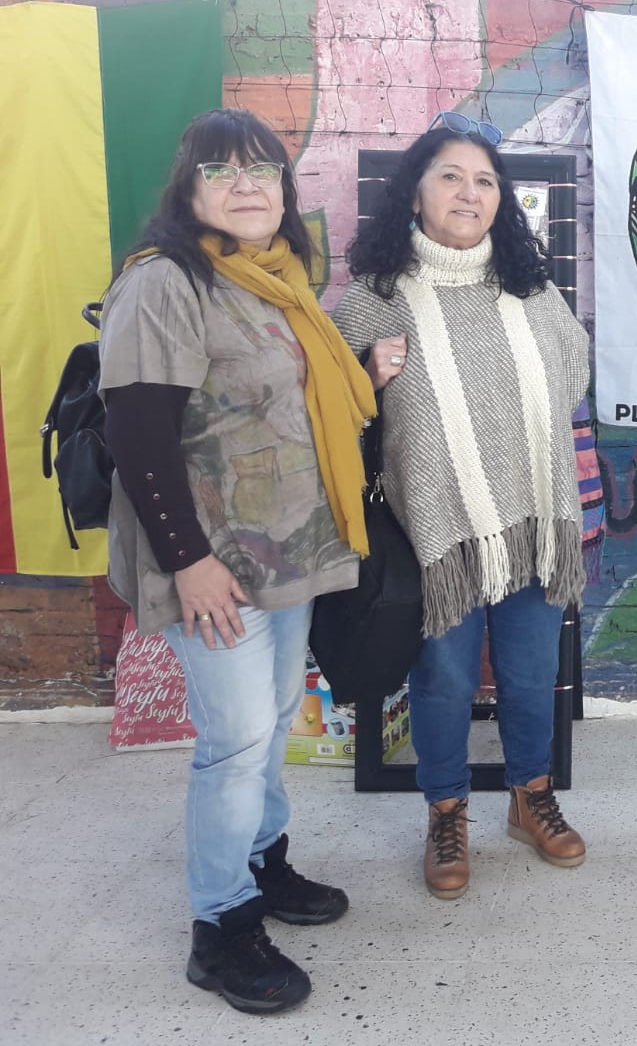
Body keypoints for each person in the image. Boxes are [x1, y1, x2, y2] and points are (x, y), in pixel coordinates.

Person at [100, 108, 376, 1014]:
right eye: (220, 171)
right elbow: (138, 433)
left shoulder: (277, 277)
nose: (246, 185)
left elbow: (283, 399)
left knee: (273, 720)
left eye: (262, 169)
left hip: (288, 552)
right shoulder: (166, 280)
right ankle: (219, 926)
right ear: (188, 190)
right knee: (235, 741)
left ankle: (263, 861)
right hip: (212, 562)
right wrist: (189, 561)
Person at [333, 113, 591, 900]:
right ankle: (445, 811)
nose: (468, 193)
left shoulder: (531, 290)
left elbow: (573, 371)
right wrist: (365, 377)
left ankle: (530, 796)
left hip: (534, 519)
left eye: (484, 181)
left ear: (500, 201)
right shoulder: (375, 299)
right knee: (444, 679)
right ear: (415, 193)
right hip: (437, 531)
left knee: (531, 672)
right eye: (450, 176)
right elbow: (329, 408)